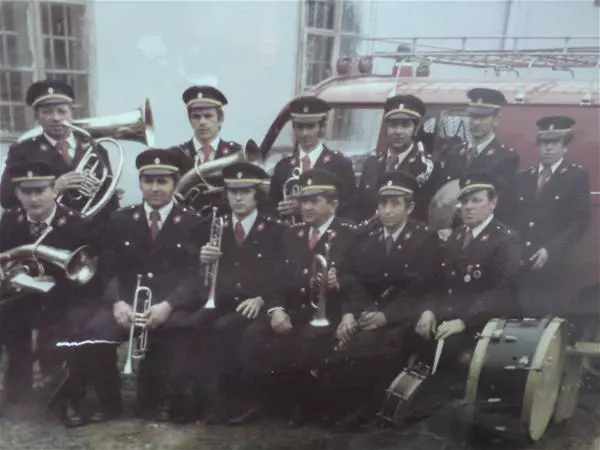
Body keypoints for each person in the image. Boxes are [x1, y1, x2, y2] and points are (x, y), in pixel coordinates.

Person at [83, 149, 205, 422]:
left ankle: (160, 400)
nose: (155, 188)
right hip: (126, 303)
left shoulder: (192, 222)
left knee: (178, 334)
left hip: (169, 304)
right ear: (140, 183)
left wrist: (169, 305)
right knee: (95, 332)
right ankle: (109, 403)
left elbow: (194, 274)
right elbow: (108, 269)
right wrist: (117, 302)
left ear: (175, 184)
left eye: (162, 181)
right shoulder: (121, 220)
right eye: (148, 181)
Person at [240, 169, 357, 427]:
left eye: (315, 201)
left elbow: (359, 280)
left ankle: (302, 407)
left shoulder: (349, 234)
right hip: (292, 309)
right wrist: (276, 310)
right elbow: (275, 279)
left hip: (329, 312)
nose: (307, 207)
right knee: (253, 335)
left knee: (306, 339)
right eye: (304, 201)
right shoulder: (291, 235)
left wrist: (338, 282)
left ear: (333, 204)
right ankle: (260, 404)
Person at [331, 171, 439, 430]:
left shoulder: (425, 237)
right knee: (343, 343)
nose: (387, 211)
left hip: (406, 315)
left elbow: (423, 288)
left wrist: (387, 316)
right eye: (382, 204)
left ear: (409, 207)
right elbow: (352, 280)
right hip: (368, 313)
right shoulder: (366, 236)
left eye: (394, 204)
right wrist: (349, 313)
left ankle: (374, 412)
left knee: (374, 346)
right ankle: (352, 408)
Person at [0, 159, 104, 427]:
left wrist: (51, 283)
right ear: (17, 193)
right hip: (22, 298)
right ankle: (19, 393)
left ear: (53, 190)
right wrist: (11, 277)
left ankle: (70, 397)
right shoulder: (9, 220)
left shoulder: (78, 223)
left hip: (66, 298)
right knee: (9, 326)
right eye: (26, 191)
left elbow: (91, 278)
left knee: (62, 334)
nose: (34, 198)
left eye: (41, 190)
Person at [192, 152, 286, 424]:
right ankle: (203, 400)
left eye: (245, 192)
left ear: (257, 195)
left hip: (259, 304)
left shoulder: (275, 229)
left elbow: (282, 274)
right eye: (233, 192)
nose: (238, 198)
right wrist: (201, 258)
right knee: (195, 326)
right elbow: (188, 261)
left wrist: (262, 298)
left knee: (234, 334)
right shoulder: (214, 225)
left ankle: (246, 403)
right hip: (222, 300)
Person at [414, 170, 522, 375]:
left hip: (482, 322)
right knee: (411, 334)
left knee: (449, 350)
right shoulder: (456, 235)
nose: (468, 207)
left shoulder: (506, 240)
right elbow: (437, 279)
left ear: (492, 203)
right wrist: (428, 310)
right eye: (464, 202)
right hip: (447, 317)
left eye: (476, 200)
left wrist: (463, 321)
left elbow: (501, 291)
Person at [0, 80, 120, 220]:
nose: (56, 118)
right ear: (37, 117)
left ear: (72, 114)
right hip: (49, 229)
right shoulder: (22, 151)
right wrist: (53, 190)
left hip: (95, 228)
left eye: (62, 111)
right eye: (47, 112)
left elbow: (110, 198)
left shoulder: (95, 147)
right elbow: (7, 199)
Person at [510, 116, 590, 317]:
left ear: (565, 146)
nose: (549, 148)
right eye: (545, 142)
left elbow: (581, 222)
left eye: (555, 142)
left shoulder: (576, 176)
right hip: (520, 262)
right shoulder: (523, 176)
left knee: (543, 319)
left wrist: (551, 250)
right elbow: (511, 216)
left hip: (553, 264)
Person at [433, 88, 519, 224]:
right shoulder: (455, 153)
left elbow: (502, 204)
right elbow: (443, 194)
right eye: (473, 117)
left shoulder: (506, 158)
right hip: (451, 227)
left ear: (496, 119)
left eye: (483, 118)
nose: (476, 123)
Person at [269, 97, 356, 220]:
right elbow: (271, 210)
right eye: (300, 127)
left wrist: (302, 208)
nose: (305, 133)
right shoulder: (282, 167)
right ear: (294, 129)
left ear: (321, 127)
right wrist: (281, 210)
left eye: (310, 127)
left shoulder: (340, 164)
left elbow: (349, 209)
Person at [355, 95, 434, 222]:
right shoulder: (371, 164)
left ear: (416, 128)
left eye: (405, 125)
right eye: (393, 125)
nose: (398, 131)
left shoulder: (427, 167)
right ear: (386, 127)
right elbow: (359, 208)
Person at [167, 86, 242, 212]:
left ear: (220, 119)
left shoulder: (235, 153)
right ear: (190, 120)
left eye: (208, 116)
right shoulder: (174, 156)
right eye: (196, 117)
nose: (202, 122)